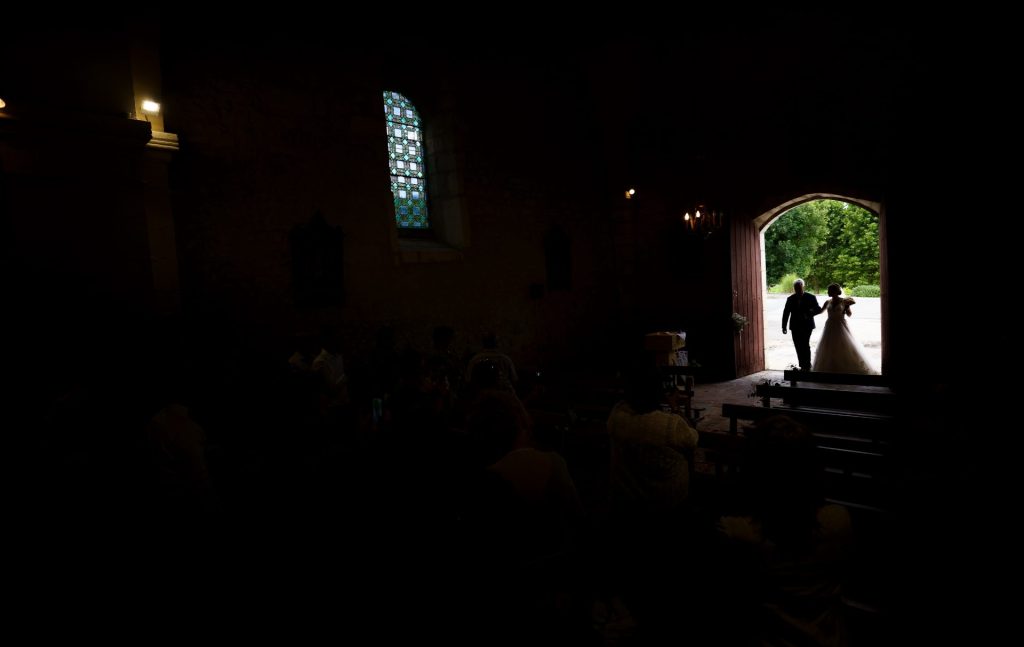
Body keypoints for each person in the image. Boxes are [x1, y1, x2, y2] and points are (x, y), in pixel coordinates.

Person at [812, 283, 878, 374]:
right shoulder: (827, 302)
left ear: (835, 291)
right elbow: (820, 311)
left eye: (829, 291)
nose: (828, 292)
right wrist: (809, 313)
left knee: (843, 346)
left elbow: (849, 315)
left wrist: (847, 307)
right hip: (829, 326)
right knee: (829, 347)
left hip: (841, 326)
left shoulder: (844, 301)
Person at [782, 278, 823, 371]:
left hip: (807, 325)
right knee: (797, 345)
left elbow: (818, 309)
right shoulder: (790, 299)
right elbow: (786, 313)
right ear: (794, 288)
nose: (798, 289)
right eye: (796, 288)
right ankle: (802, 365)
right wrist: (783, 326)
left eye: (799, 287)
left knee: (805, 344)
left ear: (803, 287)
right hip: (795, 326)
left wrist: (808, 313)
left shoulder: (811, 297)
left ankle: (807, 364)